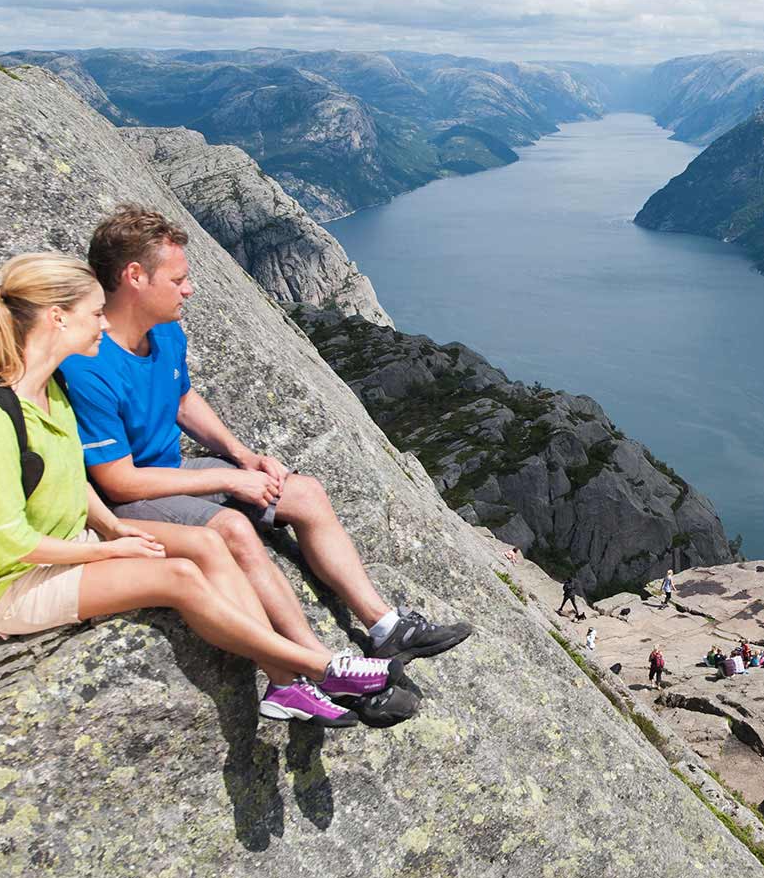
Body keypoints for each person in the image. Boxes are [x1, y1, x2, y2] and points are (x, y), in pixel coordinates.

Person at [0, 253, 397, 729]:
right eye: (94, 314)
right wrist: (109, 553)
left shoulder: (46, 391)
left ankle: (284, 686)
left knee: (209, 541)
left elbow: (72, 480)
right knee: (179, 577)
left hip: (71, 544)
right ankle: (318, 668)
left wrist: (112, 528)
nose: (101, 325)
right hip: (12, 585)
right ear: (57, 318)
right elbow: (7, 542)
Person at [62, 206, 467, 666]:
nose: (189, 289)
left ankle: (384, 627)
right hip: (131, 499)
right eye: (177, 280)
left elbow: (182, 401)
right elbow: (120, 483)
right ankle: (318, 665)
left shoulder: (164, 331)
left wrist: (243, 456)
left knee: (306, 494)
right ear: (135, 276)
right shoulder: (88, 364)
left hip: (172, 472)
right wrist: (230, 481)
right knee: (235, 528)